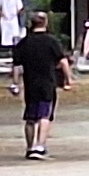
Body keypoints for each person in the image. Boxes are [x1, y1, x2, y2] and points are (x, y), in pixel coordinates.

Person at [14, 9, 69, 159]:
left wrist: (15, 83)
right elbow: (63, 62)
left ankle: (30, 147)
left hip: (30, 83)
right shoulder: (52, 41)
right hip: (47, 83)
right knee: (45, 114)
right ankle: (40, 145)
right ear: (45, 23)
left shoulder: (23, 43)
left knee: (30, 117)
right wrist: (68, 80)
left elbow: (17, 67)